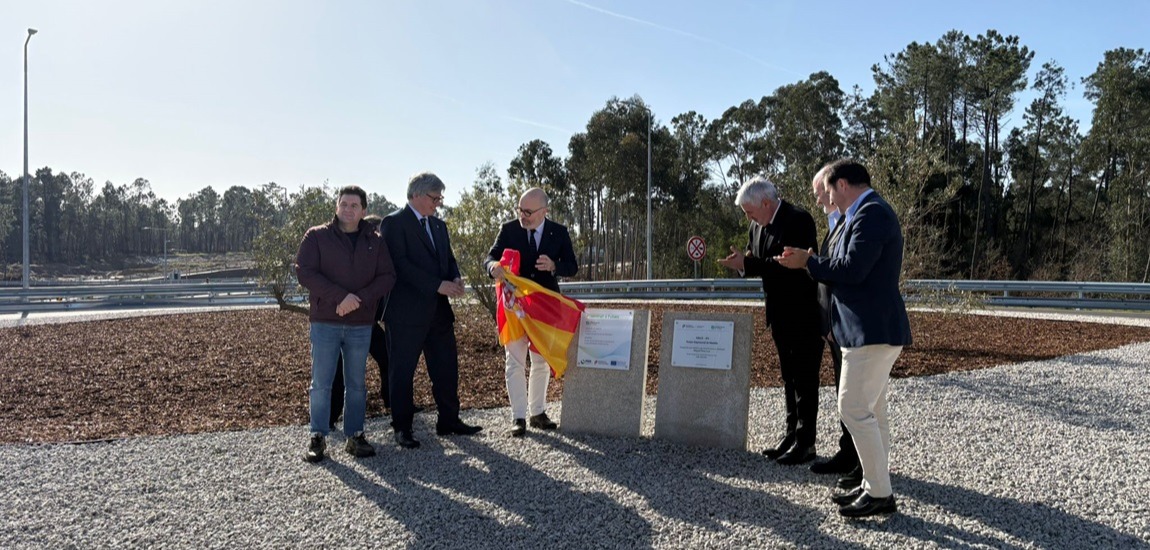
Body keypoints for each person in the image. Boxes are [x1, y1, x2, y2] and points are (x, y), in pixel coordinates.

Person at [776, 158, 912, 518]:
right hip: (868, 330)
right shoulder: (867, 212)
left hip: (871, 331)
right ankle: (874, 485)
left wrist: (808, 261)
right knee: (873, 411)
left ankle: (879, 493)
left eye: (831, 191)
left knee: (852, 409)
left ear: (843, 184)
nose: (830, 201)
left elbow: (852, 269)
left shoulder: (872, 214)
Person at [718, 176, 825, 465]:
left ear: (766, 202)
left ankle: (806, 442)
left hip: (802, 314)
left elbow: (786, 264)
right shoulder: (757, 225)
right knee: (788, 378)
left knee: (804, 379)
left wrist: (748, 264)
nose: (749, 219)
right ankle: (791, 436)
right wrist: (743, 263)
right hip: (778, 314)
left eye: (750, 212)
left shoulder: (797, 220)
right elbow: (756, 260)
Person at [295, 185, 396, 463]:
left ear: (363, 210)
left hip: (360, 324)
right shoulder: (316, 237)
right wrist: (340, 297)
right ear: (336, 207)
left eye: (354, 205)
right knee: (321, 383)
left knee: (356, 384)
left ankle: (355, 436)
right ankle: (318, 437)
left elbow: (387, 276)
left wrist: (358, 300)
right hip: (325, 322)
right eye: (344, 204)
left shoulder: (375, 241)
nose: (348, 209)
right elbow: (304, 272)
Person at [382, 172, 482, 449]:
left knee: (446, 369)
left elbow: (448, 259)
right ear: (416, 195)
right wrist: (437, 285)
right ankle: (402, 428)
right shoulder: (394, 223)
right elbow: (399, 265)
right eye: (434, 198)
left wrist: (456, 277)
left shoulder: (439, 226)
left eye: (440, 198)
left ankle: (449, 420)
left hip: (438, 313)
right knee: (402, 372)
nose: (438, 203)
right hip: (405, 315)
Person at [484, 187, 578, 437]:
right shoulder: (508, 229)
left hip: (544, 308)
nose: (522, 216)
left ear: (544, 211)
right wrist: (493, 266)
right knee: (514, 362)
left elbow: (573, 266)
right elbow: (490, 257)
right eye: (519, 210)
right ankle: (518, 417)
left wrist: (554, 265)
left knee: (540, 361)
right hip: (514, 307)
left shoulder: (559, 232)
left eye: (528, 212)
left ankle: (537, 412)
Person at [330, 215, 418, 430]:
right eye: (375, 231)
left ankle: (392, 402)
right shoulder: (355, 254)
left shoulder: (382, 256)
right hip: (342, 321)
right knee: (339, 368)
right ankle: (330, 417)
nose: (378, 235)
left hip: (367, 322)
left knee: (388, 359)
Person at [806, 166, 862, 482]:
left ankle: (859, 461)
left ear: (837, 186)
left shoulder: (853, 221)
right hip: (834, 325)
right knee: (843, 392)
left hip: (849, 326)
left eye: (821, 193)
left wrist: (811, 263)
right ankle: (849, 452)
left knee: (853, 398)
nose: (820, 199)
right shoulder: (834, 225)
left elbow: (842, 272)